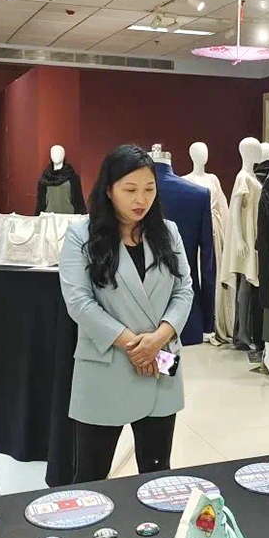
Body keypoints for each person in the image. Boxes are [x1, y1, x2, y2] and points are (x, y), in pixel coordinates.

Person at [60, 144, 193, 483]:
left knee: (158, 475)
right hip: (106, 365)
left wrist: (159, 339)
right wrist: (137, 346)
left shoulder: (168, 232)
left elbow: (184, 291)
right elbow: (79, 303)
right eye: (130, 190)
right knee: (90, 477)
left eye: (149, 189)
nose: (140, 200)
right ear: (109, 189)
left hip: (161, 363)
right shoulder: (81, 236)